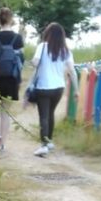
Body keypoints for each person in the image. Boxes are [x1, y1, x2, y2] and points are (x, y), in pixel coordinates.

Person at [28, 22, 78, 157]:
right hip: (59, 88)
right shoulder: (66, 51)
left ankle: (43, 145)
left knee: (44, 116)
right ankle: (49, 141)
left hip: (44, 87)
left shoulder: (42, 47)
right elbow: (72, 71)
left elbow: (35, 62)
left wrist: (31, 62)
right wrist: (76, 90)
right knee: (50, 113)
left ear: (48, 34)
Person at [0, 7, 24, 151]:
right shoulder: (17, 38)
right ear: (11, 19)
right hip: (11, 79)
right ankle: (2, 144)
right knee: (5, 112)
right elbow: (21, 61)